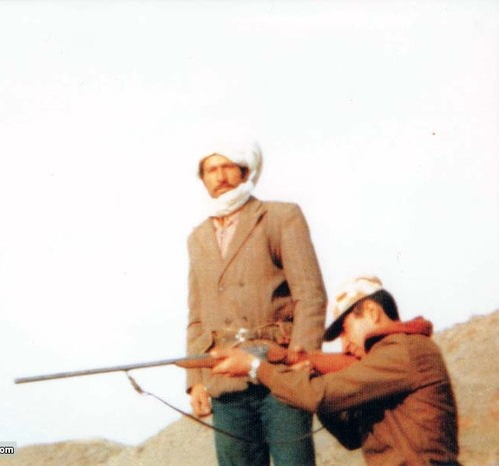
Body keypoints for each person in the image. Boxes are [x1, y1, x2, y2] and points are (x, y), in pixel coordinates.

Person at [211, 275, 461, 466]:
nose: (344, 343)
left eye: (345, 329)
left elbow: (319, 395)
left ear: (372, 312)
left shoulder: (403, 349)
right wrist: (315, 374)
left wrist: (256, 367)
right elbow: (351, 435)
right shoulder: (392, 358)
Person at [186, 136, 327, 466]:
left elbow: (310, 295)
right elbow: (197, 315)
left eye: (227, 167)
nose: (220, 176)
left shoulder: (279, 217)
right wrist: (196, 382)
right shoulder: (198, 238)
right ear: (203, 179)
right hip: (225, 379)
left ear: (245, 171)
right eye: (211, 170)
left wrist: (302, 358)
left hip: (280, 371)